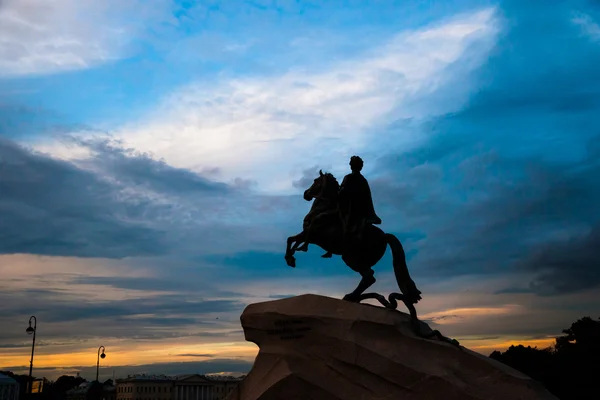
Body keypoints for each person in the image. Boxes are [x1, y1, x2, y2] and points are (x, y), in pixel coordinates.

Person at [338, 156, 382, 247]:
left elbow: (342, 192)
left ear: (351, 166)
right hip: (361, 210)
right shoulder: (363, 180)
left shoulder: (349, 177)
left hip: (352, 209)